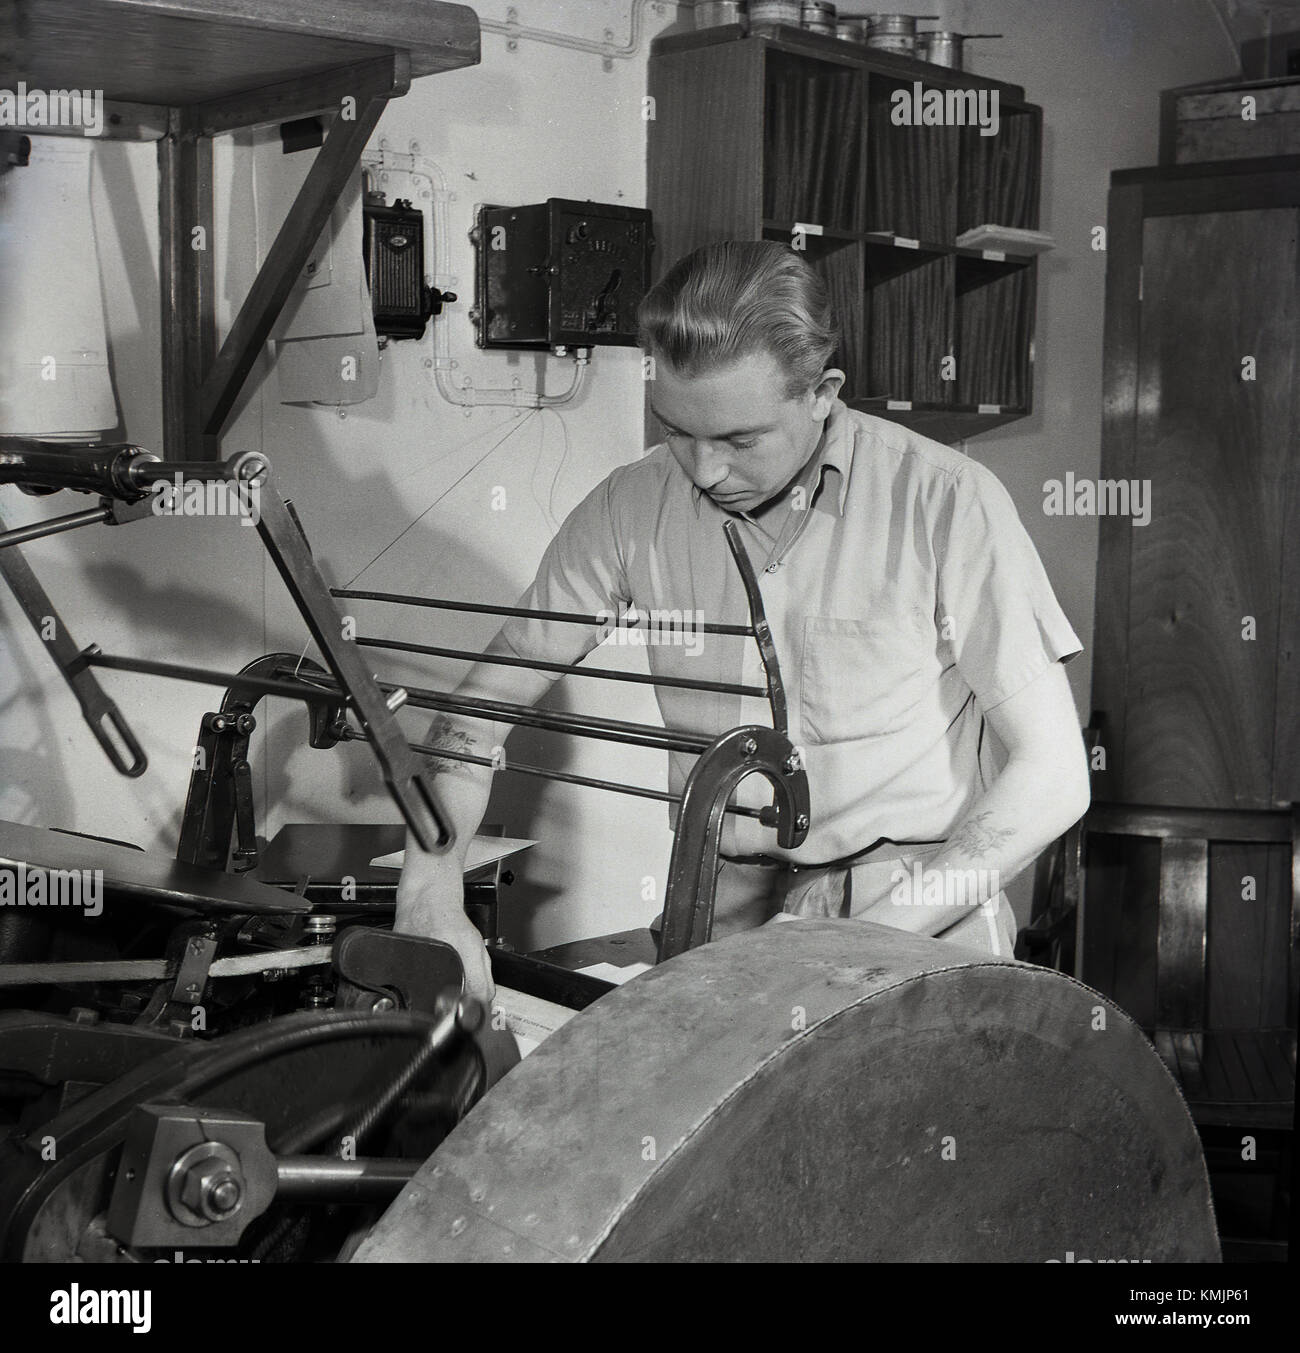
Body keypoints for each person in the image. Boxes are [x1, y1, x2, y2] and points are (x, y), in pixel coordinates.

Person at [395, 240, 1090, 1001]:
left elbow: (1053, 777)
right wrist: (429, 888)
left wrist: (856, 941)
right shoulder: (631, 508)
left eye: (739, 439)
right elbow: (480, 709)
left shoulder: (947, 501)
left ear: (822, 392)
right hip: (720, 903)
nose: (704, 470)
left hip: (917, 916)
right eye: (675, 429)